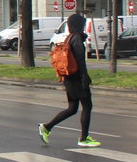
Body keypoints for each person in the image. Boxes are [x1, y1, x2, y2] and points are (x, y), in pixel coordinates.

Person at [39, 13, 100, 148]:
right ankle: (84, 138)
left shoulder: (69, 37)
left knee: (72, 108)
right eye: (83, 24)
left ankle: (47, 127)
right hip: (77, 78)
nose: (83, 26)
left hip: (68, 77)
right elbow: (80, 60)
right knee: (87, 106)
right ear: (79, 25)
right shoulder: (76, 38)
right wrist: (85, 77)